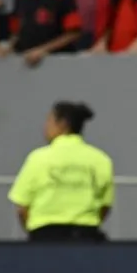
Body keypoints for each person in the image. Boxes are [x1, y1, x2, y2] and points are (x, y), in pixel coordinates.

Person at [7, 101, 113, 242]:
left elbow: (22, 207)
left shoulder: (38, 158)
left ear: (62, 124)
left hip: (45, 236)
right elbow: (105, 206)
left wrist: (34, 232)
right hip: (86, 237)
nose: (45, 127)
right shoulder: (100, 159)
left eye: (49, 121)